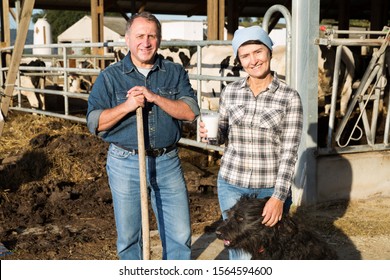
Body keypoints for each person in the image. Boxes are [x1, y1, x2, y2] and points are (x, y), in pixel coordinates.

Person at [86, 11, 200, 260]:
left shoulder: (174, 72)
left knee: (179, 235)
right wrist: (126, 107)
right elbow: (94, 122)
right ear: (127, 39)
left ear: (159, 40)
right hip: (125, 160)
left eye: (152, 36)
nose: (145, 42)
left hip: (166, 161)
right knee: (129, 237)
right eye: (139, 36)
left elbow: (190, 112)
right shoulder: (111, 77)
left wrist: (155, 97)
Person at [199, 26, 303, 260]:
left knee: (267, 253)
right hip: (231, 183)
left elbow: (289, 153)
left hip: (267, 191)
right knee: (240, 254)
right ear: (239, 60)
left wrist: (278, 197)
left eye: (258, 52)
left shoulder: (289, 97)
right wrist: (210, 134)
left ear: (269, 53)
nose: (253, 60)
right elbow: (222, 135)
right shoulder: (231, 92)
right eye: (245, 55)